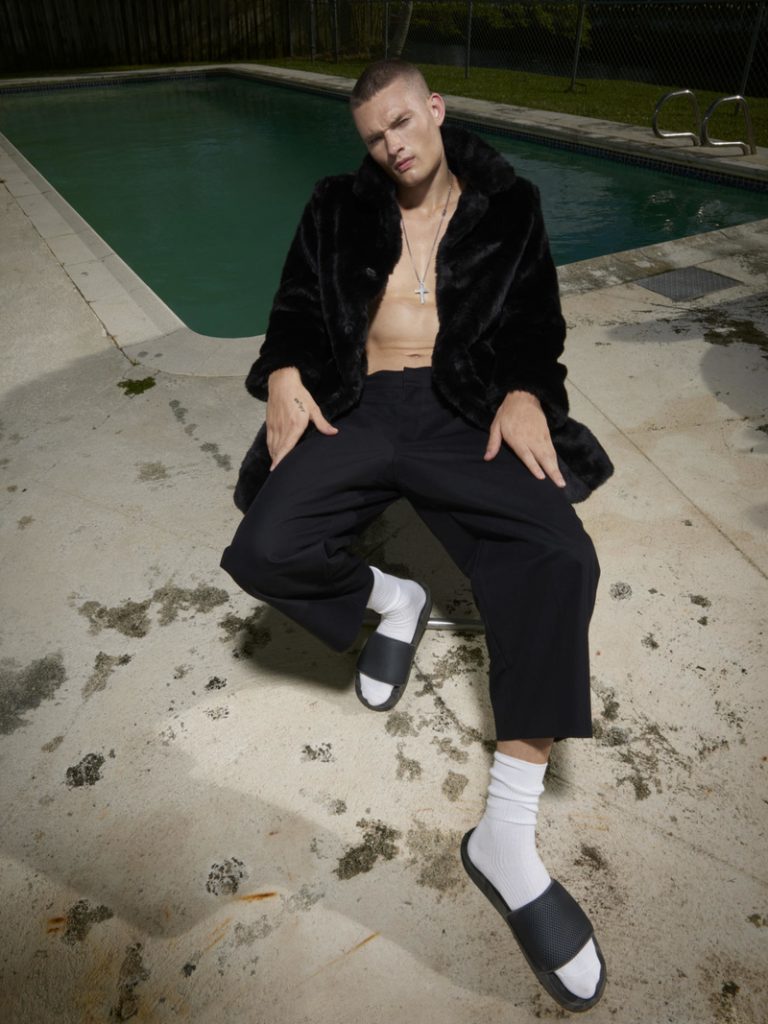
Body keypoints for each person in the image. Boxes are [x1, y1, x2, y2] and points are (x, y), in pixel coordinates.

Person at [221, 59, 613, 1012]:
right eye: (374, 135)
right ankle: (393, 599)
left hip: (460, 406)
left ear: (434, 110)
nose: (392, 144)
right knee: (264, 549)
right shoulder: (335, 206)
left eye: (402, 121)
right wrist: (283, 373)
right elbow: (295, 310)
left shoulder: (509, 205)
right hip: (358, 405)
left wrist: (525, 392)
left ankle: (505, 838)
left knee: (560, 557)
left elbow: (537, 328)